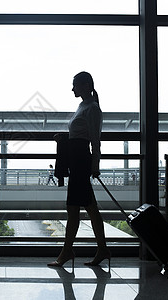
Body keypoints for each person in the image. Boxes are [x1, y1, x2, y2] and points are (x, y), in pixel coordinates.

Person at [48, 71, 110, 271]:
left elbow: (94, 141)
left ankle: (68, 251)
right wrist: (64, 137)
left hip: (82, 162)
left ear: (85, 85)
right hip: (77, 162)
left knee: (74, 208)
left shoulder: (93, 108)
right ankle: (101, 249)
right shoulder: (83, 106)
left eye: (75, 85)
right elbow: (79, 134)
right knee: (89, 208)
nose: (72, 89)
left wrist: (95, 166)